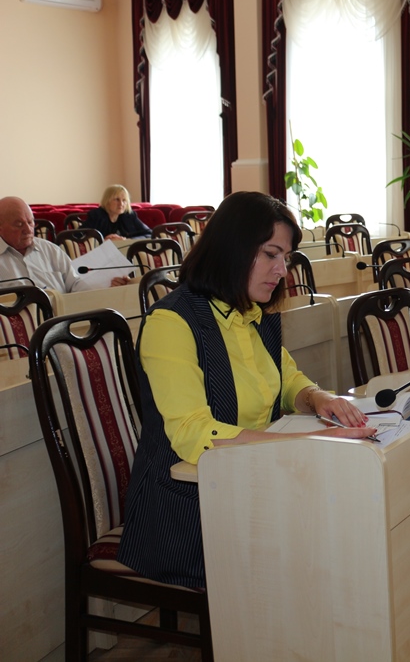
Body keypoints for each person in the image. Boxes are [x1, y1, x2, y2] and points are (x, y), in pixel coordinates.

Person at [118, 192, 374, 589]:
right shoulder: (172, 323)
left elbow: (287, 379)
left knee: (345, 530)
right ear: (232, 248)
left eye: (285, 257)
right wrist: (305, 442)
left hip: (251, 486)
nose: (282, 270)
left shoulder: (254, 312)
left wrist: (319, 398)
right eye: (271, 254)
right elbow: (194, 434)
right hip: (186, 513)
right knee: (324, 552)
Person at [0, 196, 128, 291]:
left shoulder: (51, 250)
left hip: (64, 316)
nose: (28, 230)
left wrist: (106, 284)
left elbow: (75, 284)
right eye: (19, 224)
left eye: (30, 222)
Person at [82, 184, 152, 240]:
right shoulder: (96, 215)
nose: (121, 204)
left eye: (124, 200)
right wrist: (103, 240)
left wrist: (126, 240)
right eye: (117, 199)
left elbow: (150, 234)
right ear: (107, 201)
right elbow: (79, 236)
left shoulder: (130, 216)